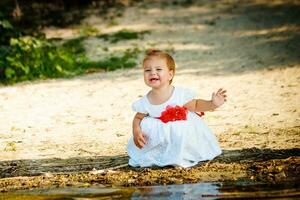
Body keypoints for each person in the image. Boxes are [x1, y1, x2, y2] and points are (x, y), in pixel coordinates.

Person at [127, 49, 227, 168]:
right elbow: (138, 118)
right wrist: (136, 131)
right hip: (161, 137)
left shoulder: (179, 94)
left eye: (158, 69)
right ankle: (160, 154)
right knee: (147, 124)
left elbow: (195, 105)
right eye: (147, 70)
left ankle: (183, 154)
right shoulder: (145, 101)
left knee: (180, 128)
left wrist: (212, 104)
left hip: (180, 133)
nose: (152, 73)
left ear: (170, 74)